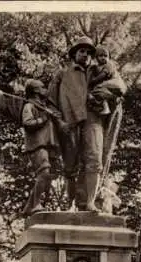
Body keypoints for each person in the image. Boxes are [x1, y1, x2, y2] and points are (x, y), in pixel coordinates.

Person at [48, 36, 103, 212]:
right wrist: (59, 121)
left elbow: (118, 85)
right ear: (74, 54)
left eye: (88, 52)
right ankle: (72, 203)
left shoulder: (98, 72)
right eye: (82, 51)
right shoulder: (63, 74)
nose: (85, 55)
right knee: (70, 166)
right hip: (69, 122)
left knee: (94, 160)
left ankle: (90, 202)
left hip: (93, 119)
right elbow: (50, 101)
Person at [21, 79, 59, 216]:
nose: (45, 89)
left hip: (48, 145)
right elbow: (27, 123)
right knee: (43, 173)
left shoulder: (43, 106)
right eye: (42, 87)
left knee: (47, 177)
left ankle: (28, 207)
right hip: (37, 145)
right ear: (36, 90)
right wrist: (43, 119)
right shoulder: (29, 106)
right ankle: (35, 204)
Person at [88, 45, 121, 115]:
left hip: (112, 84)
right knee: (99, 94)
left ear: (109, 57)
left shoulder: (108, 65)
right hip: (105, 86)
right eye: (101, 56)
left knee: (98, 90)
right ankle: (102, 105)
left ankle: (106, 107)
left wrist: (93, 81)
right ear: (96, 57)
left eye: (105, 56)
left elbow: (102, 75)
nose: (103, 58)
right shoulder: (97, 66)